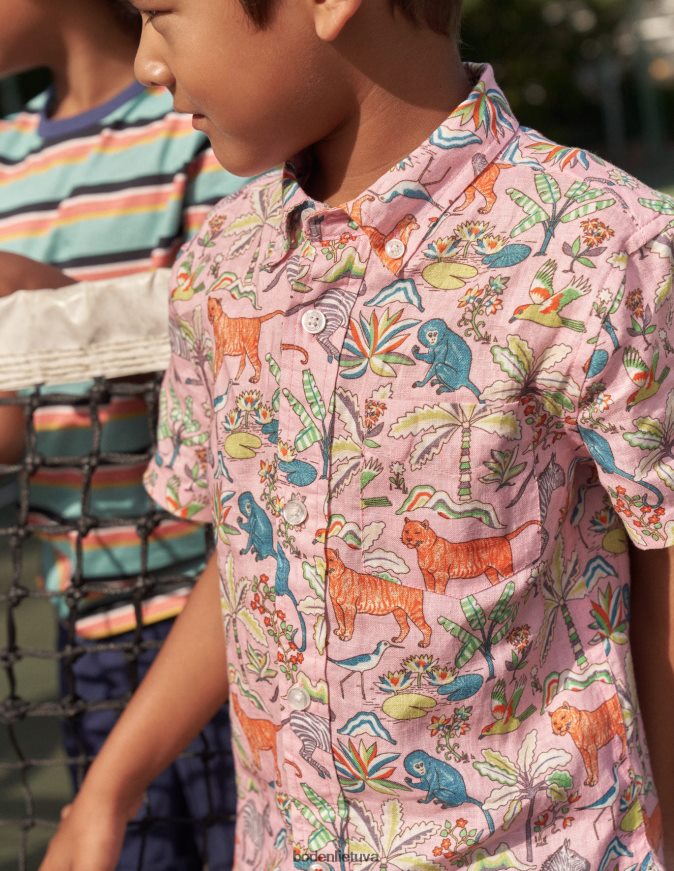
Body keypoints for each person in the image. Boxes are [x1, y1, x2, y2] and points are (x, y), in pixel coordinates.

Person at [39, 1, 674, 869]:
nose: (148, 61)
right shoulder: (222, 264)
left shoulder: (599, 245)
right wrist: (108, 791)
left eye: (164, 13)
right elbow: (256, 562)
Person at [0, 2, 245, 868]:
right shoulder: (5, 158)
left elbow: (246, 368)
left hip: (219, 621)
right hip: (86, 632)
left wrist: (57, 302)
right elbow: (15, 426)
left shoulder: (206, 122)